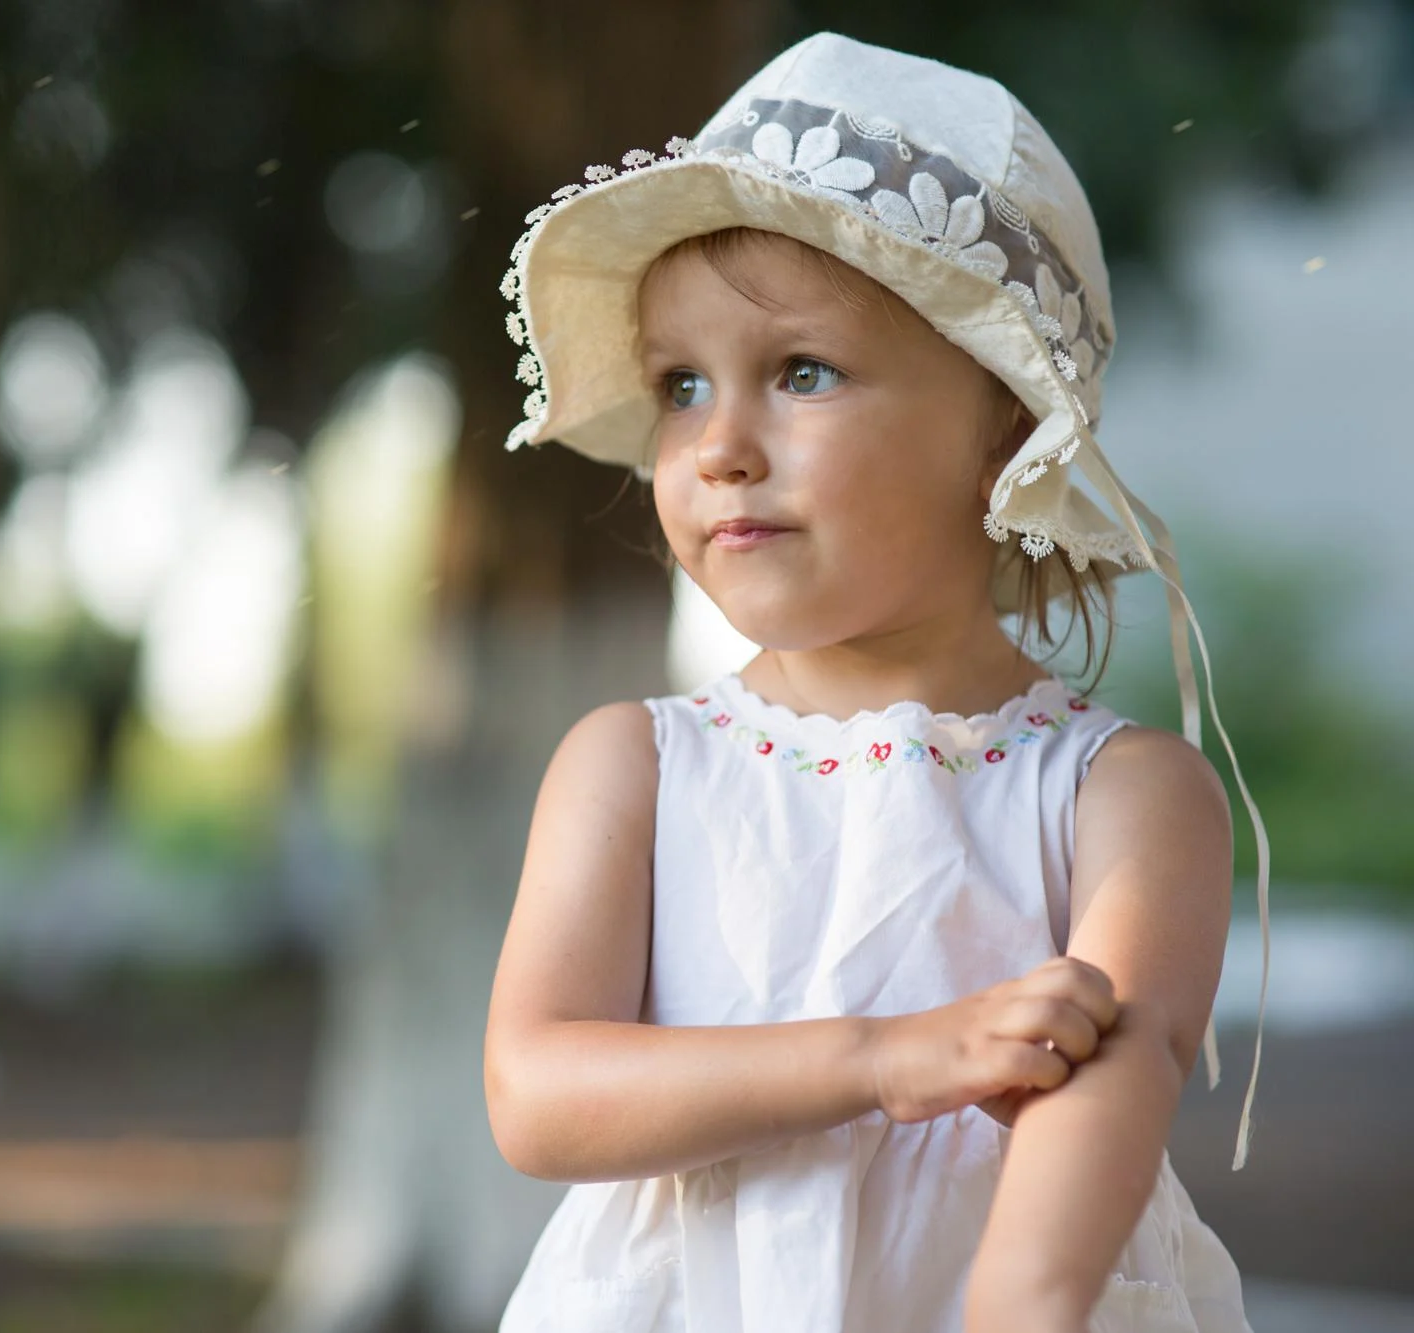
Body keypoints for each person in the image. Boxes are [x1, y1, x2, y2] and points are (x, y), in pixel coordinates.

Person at [482, 31, 1272, 1333]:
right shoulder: (635, 765)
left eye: (802, 373)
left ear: (1001, 429)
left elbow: (1102, 1115)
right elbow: (538, 1093)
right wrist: (883, 1057)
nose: (719, 446)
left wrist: (1020, 1307)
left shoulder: (1122, 796)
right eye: (681, 385)